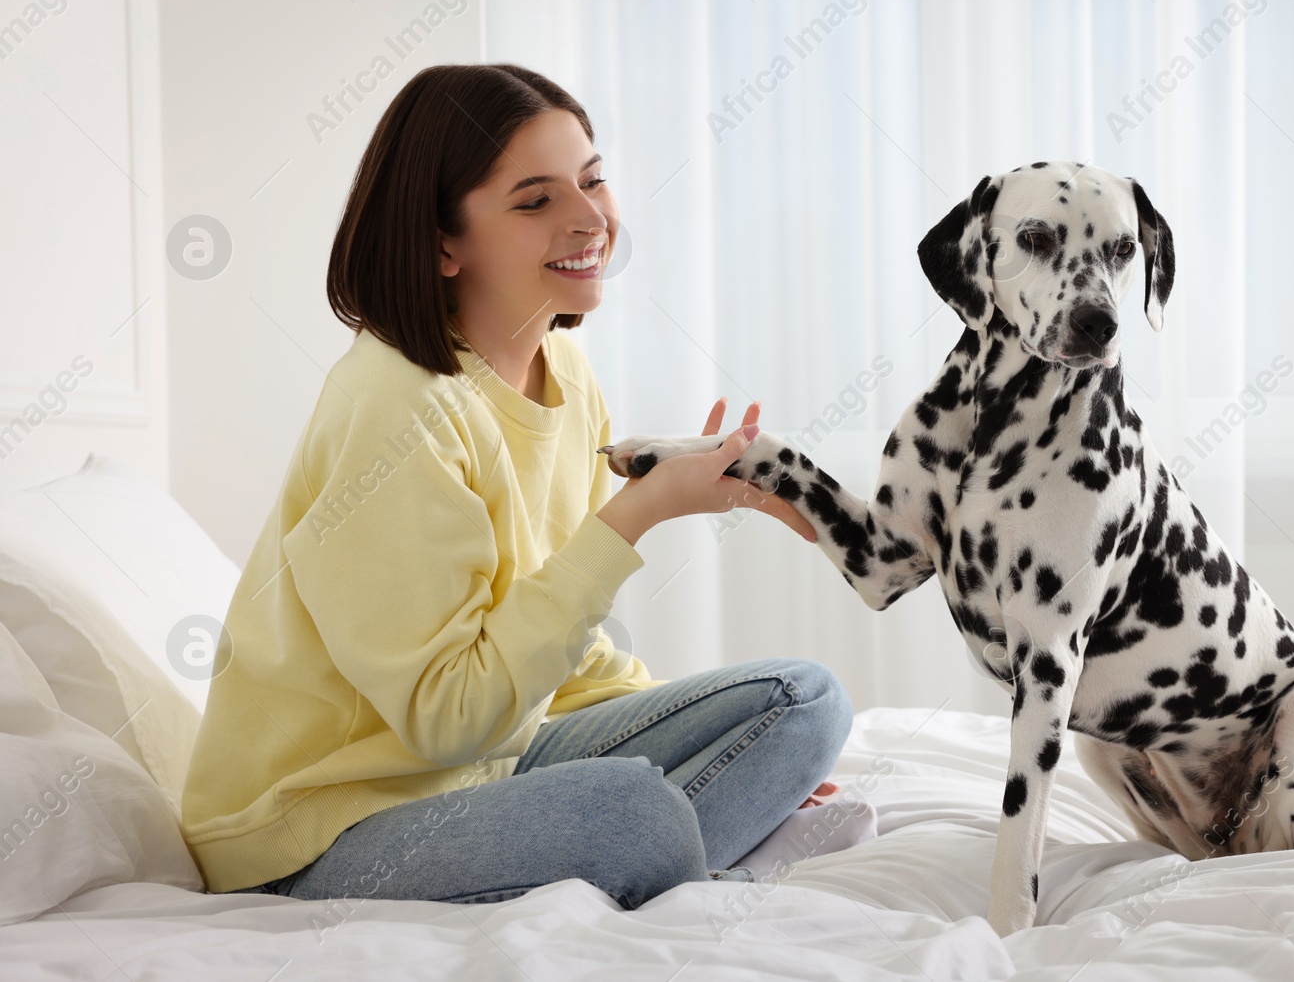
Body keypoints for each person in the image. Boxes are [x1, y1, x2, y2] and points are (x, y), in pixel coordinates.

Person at [179, 63, 872, 910]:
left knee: (804, 699)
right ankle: (707, 861)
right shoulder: (398, 411)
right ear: (442, 242)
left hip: (485, 766)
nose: (591, 220)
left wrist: (720, 742)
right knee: (632, 815)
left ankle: (692, 853)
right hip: (322, 830)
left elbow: (561, 647)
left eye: (593, 180)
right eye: (535, 200)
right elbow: (448, 719)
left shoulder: (564, 373)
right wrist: (638, 511)